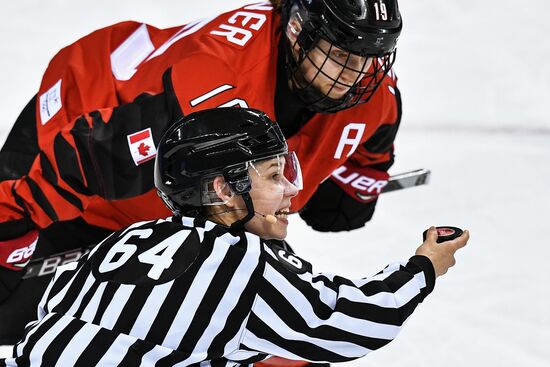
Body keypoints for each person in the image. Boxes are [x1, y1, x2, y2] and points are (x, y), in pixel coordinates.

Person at [0, 0, 403, 348]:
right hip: (83, 122)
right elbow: (93, 158)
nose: (356, 73)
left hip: (174, 199)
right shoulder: (217, 81)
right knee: (20, 325)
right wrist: (10, 223)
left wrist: (342, 195)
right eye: (342, 54)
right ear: (298, 31)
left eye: (371, 56)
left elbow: (347, 195)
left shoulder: (377, 98)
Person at [0, 108, 469, 367]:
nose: (291, 189)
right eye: (272, 175)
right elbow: (357, 322)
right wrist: (425, 263)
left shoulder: (125, 238)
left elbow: (52, 314)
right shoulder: (240, 263)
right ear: (223, 189)